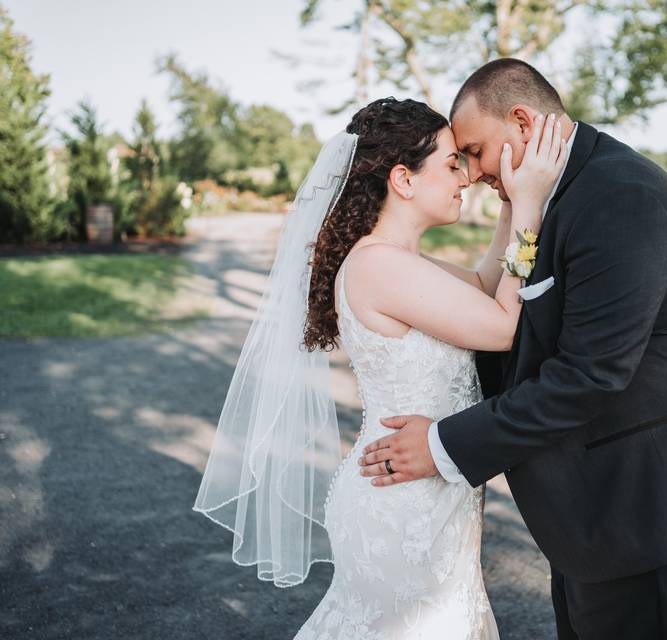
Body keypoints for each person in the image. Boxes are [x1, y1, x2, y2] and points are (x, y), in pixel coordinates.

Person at [358, 58, 667, 640]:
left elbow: (591, 375)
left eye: (473, 151)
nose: (471, 172)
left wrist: (445, 444)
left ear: (522, 122)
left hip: (648, 506)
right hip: (590, 511)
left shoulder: (621, 197)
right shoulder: (547, 193)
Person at [194, 95, 567, 638]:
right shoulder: (379, 266)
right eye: (450, 163)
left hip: (426, 493)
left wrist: (510, 204)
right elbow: (503, 325)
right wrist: (531, 210)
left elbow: (488, 288)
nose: (464, 175)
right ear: (403, 179)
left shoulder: (395, 260)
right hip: (402, 506)